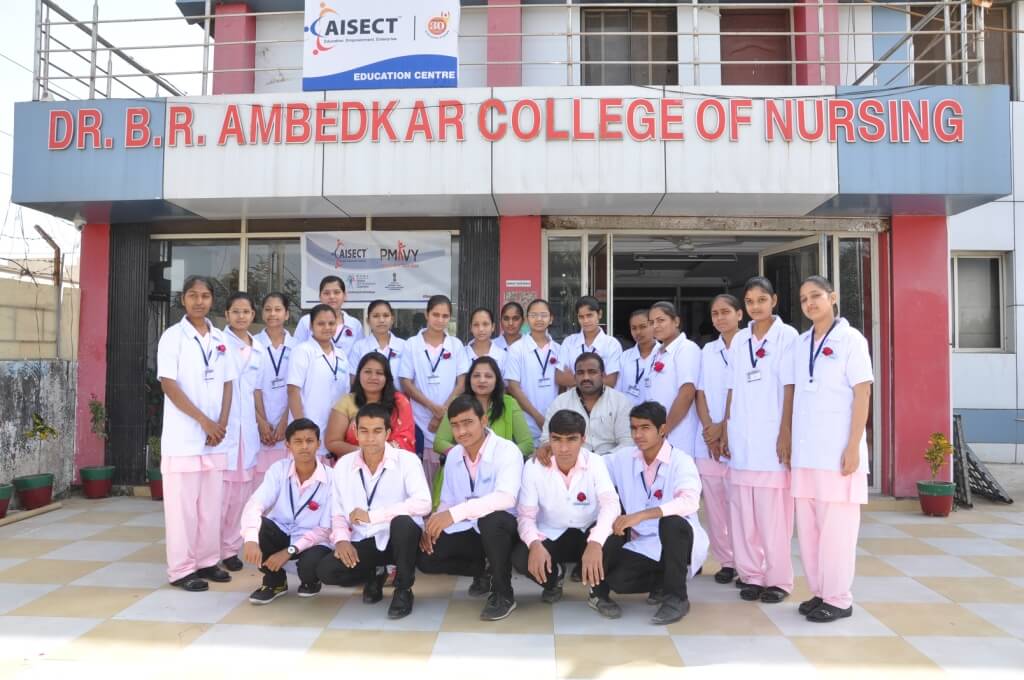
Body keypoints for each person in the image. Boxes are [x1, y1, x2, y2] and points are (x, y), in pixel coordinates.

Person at [785, 276, 873, 622]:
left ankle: (838, 598)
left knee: (837, 532)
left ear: (832, 297)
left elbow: (863, 393)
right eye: (803, 298)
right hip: (807, 453)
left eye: (816, 296)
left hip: (837, 453)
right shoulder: (801, 342)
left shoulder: (851, 339)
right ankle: (820, 591)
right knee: (809, 531)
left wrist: (854, 446)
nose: (809, 303)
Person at [722, 276, 799, 605]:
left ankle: (778, 579)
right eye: (750, 301)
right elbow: (732, 387)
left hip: (771, 440)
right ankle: (751, 574)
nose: (756, 306)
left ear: (774, 301)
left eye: (761, 300)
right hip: (742, 438)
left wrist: (786, 431)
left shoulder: (788, 336)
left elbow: (790, 387)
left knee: (773, 518)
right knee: (743, 515)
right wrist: (727, 427)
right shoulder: (740, 340)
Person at [157, 275, 236, 591]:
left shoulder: (220, 338)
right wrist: (204, 422)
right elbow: (169, 384)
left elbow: (228, 383)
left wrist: (221, 423)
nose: (199, 301)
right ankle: (181, 570)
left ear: (212, 300)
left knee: (210, 507)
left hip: (215, 439)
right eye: (193, 295)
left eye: (204, 295)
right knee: (182, 511)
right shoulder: (172, 337)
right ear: (183, 299)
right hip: (185, 439)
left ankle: (206, 561)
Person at [317, 403, 431, 619]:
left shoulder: (407, 460)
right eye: (364, 431)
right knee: (327, 571)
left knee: (403, 522)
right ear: (355, 432)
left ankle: (403, 589)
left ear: (387, 433)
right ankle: (375, 572)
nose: (370, 438)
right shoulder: (343, 465)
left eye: (377, 431)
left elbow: (424, 503)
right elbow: (338, 511)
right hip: (364, 538)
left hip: (400, 540)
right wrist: (341, 540)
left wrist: (373, 516)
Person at [418, 395, 524, 621]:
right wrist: (434, 525)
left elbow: (506, 498)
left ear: (483, 421)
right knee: (427, 557)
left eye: (468, 423)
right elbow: (447, 501)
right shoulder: (454, 455)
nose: (461, 431)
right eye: (455, 425)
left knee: (491, 520)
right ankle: (485, 570)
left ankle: (504, 594)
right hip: (470, 528)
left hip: (506, 530)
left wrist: (455, 513)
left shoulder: (507, 450)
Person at [603, 402, 710, 625]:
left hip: (678, 539)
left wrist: (641, 515)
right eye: (634, 428)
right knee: (617, 581)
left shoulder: (681, 460)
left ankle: (677, 598)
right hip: (644, 542)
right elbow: (590, 464)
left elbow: (690, 501)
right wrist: (550, 451)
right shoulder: (624, 458)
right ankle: (663, 581)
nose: (637, 435)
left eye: (645, 428)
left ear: (662, 429)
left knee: (671, 522)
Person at [511, 410, 621, 618]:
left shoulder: (596, 462)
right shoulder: (533, 467)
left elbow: (611, 504)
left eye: (571, 439)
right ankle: (555, 579)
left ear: (583, 440)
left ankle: (599, 594)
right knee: (520, 557)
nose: (563, 448)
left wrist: (596, 542)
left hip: (587, 531)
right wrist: (534, 544)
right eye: (557, 439)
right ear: (549, 439)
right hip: (553, 532)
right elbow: (525, 515)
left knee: (615, 534)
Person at [239, 418, 333, 604]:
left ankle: (311, 581)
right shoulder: (279, 469)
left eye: (309, 441)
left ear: (318, 444)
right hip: (282, 532)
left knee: (310, 566)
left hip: (313, 540)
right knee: (258, 527)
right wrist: (250, 539)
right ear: (288, 445)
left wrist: (289, 551)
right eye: (298, 441)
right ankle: (275, 582)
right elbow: (255, 504)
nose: (304, 446)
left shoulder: (332, 477)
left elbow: (325, 529)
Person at [694, 294, 743, 585]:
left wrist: (724, 427)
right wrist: (709, 429)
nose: (720, 317)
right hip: (709, 440)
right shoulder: (707, 351)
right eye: (715, 313)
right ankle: (726, 561)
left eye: (726, 312)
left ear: (739, 314)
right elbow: (700, 392)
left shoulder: (749, 345)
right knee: (714, 508)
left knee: (742, 507)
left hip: (737, 436)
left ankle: (748, 561)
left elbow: (739, 392)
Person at [220, 292, 266, 572]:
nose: (241, 316)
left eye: (246, 312)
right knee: (220, 495)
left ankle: (229, 549)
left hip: (247, 429)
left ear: (252, 315)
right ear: (226, 314)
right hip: (223, 427)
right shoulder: (218, 343)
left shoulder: (258, 348)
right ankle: (209, 549)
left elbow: (256, 391)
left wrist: (262, 421)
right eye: (235, 311)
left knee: (241, 495)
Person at [399, 294, 469, 480]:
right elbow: (406, 382)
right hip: (419, 419)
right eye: (435, 314)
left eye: (445, 316)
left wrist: (441, 414)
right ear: (426, 314)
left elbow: (462, 383)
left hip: (448, 419)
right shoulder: (412, 344)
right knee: (420, 476)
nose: (440, 320)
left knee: (447, 474)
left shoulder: (456, 345)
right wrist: (432, 407)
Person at [433, 356, 534, 458]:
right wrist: (466, 455)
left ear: (496, 380)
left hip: (499, 464)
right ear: (469, 379)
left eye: (488, 376)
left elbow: (527, 444)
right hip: (464, 463)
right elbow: (439, 442)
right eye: (476, 375)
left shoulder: (509, 404)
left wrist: (500, 457)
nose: (482, 380)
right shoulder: (457, 403)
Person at [287, 304, 351, 461]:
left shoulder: (341, 355)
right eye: (321, 323)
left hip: (334, 432)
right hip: (308, 429)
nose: (327, 327)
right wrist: (301, 426)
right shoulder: (302, 351)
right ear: (311, 326)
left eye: (331, 323)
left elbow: (346, 394)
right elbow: (293, 390)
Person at [539, 352, 633, 456]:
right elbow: (547, 439)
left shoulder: (620, 401)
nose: (586, 377)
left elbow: (628, 442)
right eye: (580, 373)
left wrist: (600, 461)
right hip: (572, 461)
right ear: (575, 377)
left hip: (611, 462)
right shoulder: (560, 402)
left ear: (602, 375)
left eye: (592, 372)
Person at [325, 352, 415, 456]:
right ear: (359, 374)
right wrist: (364, 453)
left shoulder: (399, 402)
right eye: (368, 372)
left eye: (379, 373)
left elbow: (405, 438)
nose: (373, 377)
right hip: (354, 461)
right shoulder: (347, 402)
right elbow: (333, 442)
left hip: (393, 461)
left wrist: (380, 454)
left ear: (387, 377)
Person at [646, 301, 702, 459]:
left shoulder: (686, 348)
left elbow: (687, 393)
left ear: (676, 321)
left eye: (661, 320)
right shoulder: (657, 351)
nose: (655, 326)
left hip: (678, 433)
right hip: (658, 434)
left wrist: (665, 429)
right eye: (651, 322)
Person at [505, 298, 562, 445]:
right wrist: (537, 417)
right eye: (534, 315)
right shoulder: (516, 349)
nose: (539, 319)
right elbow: (513, 387)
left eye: (543, 315)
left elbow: (562, 386)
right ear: (526, 319)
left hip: (555, 422)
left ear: (551, 319)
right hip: (526, 422)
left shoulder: (559, 349)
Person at [253, 292, 295, 487]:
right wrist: (261, 422)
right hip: (260, 427)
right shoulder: (253, 344)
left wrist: (285, 421)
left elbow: (297, 390)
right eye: (268, 309)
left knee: (286, 482)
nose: (273, 314)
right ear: (261, 313)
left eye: (278, 309)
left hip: (287, 424)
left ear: (287, 314)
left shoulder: (298, 347)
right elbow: (253, 388)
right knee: (259, 485)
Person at [557, 296, 621, 388]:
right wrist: (597, 380)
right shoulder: (569, 342)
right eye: (581, 317)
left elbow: (610, 381)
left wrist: (573, 379)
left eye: (589, 315)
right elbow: (560, 377)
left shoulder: (612, 344)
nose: (585, 321)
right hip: (573, 397)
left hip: (602, 397)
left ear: (599, 314)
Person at [294, 275, 364, 358]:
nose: (332, 296)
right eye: (326, 293)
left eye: (336, 292)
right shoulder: (306, 321)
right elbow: (297, 350)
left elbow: (359, 354)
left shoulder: (355, 324)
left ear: (344, 296)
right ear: (320, 296)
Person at [347, 299, 405, 391]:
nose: (381, 320)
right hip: (367, 398)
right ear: (368, 321)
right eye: (376, 316)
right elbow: (353, 378)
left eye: (386, 315)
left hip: (398, 398)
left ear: (392, 319)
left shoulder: (404, 346)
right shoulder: (359, 347)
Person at [616, 309, 660, 406]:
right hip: (628, 412)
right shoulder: (624, 357)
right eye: (634, 328)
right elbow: (617, 391)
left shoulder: (664, 354)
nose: (638, 332)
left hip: (657, 413)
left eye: (643, 327)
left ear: (653, 325)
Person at [464, 307, 507, 377]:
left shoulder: (503, 356)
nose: (481, 329)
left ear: (493, 327)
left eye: (485, 324)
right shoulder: (461, 354)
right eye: (476, 325)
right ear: (471, 328)